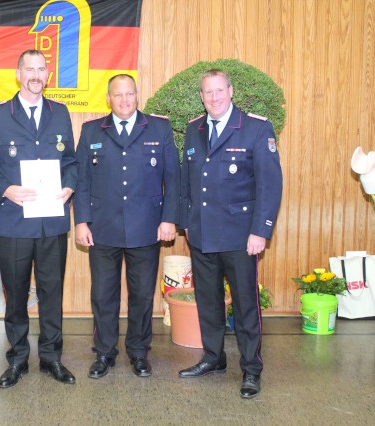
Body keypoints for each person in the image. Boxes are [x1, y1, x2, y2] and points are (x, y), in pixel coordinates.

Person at [0, 50, 78, 388]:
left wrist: (69, 186)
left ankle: (51, 358)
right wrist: (5, 189)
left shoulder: (60, 114)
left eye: (41, 69)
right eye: (29, 69)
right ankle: (18, 358)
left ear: (47, 75)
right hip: (14, 223)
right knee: (16, 294)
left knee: (52, 292)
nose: (36, 75)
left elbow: (71, 162)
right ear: (18, 74)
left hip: (51, 223)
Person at [178, 69, 283, 399]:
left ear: (231, 91)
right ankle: (214, 358)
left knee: (245, 304)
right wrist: (186, 223)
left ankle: (251, 368)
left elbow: (270, 184)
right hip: (203, 234)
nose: (214, 97)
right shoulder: (194, 129)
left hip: (241, 237)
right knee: (208, 301)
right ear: (201, 96)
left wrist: (260, 231)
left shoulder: (255, 127)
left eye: (219, 90)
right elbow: (186, 182)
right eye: (207, 92)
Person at [74, 74, 180, 379]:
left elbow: (173, 179)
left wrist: (168, 218)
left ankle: (138, 351)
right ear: (108, 98)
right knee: (103, 295)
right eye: (118, 95)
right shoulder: (92, 129)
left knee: (142, 295)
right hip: (102, 228)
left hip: (146, 227)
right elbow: (82, 181)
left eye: (129, 94)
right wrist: (81, 221)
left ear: (137, 95)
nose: (124, 100)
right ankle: (104, 352)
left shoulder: (159, 128)